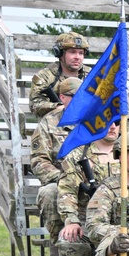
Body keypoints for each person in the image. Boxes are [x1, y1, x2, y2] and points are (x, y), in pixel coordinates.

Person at [56, 120, 121, 256]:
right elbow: (67, 191)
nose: (113, 127)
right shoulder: (79, 155)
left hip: (121, 220)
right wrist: (72, 220)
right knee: (70, 241)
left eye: (117, 122)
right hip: (88, 220)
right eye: (108, 121)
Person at [30, 77, 80, 241]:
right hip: (61, 180)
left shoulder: (97, 122)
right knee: (49, 193)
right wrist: (63, 178)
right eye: (73, 95)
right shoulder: (49, 122)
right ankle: (64, 249)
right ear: (62, 98)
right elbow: (39, 160)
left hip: (93, 179)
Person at [29, 32, 90, 120]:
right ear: (60, 53)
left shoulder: (91, 75)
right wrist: (59, 107)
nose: (77, 57)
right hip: (53, 127)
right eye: (72, 52)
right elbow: (35, 104)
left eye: (81, 53)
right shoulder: (46, 76)